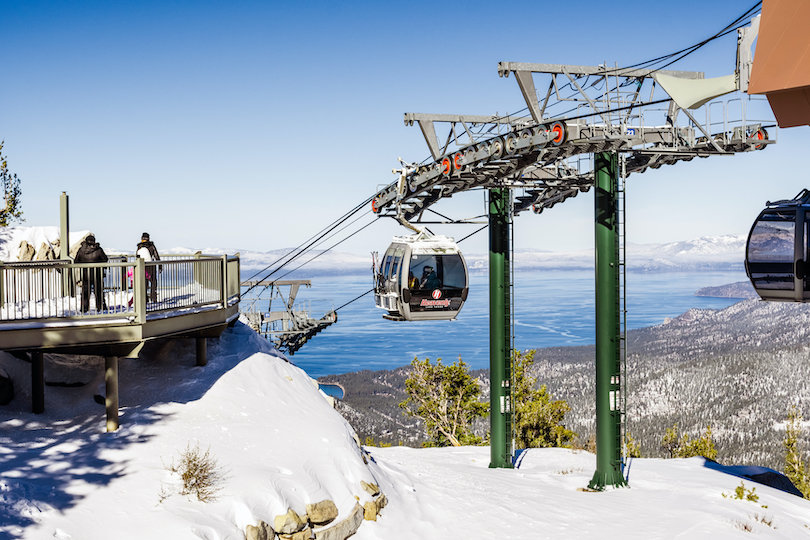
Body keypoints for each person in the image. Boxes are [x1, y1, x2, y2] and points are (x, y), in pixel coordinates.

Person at [74, 234, 108, 313]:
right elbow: (105, 259)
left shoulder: (81, 250)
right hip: (97, 274)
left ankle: (84, 308)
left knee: (85, 292)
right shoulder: (98, 249)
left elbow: (76, 261)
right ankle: (101, 307)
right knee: (99, 291)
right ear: (94, 241)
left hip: (86, 274)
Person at [136, 232, 161, 302]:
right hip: (151, 265)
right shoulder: (152, 246)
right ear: (148, 239)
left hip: (143, 266)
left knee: (144, 282)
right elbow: (156, 256)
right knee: (153, 282)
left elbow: (137, 256)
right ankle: (153, 297)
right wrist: (160, 265)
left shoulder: (139, 246)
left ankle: (145, 298)